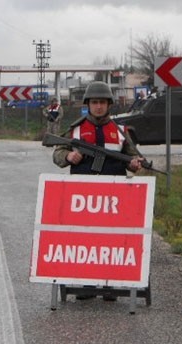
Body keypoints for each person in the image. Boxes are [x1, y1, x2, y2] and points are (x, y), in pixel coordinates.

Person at [52, 81, 144, 301]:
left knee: (111, 239)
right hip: (83, 197)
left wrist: (135, 165)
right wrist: (68, 156)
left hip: (114, 198)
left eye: (102, 102)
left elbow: (134, 157)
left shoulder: (120, 132)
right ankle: (87, 284)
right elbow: (57, 153)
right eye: (95, 102)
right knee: (85, 239)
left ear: (109, 104)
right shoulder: (76, 129)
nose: (99, 107)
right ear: (88, 104)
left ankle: (109, 285)